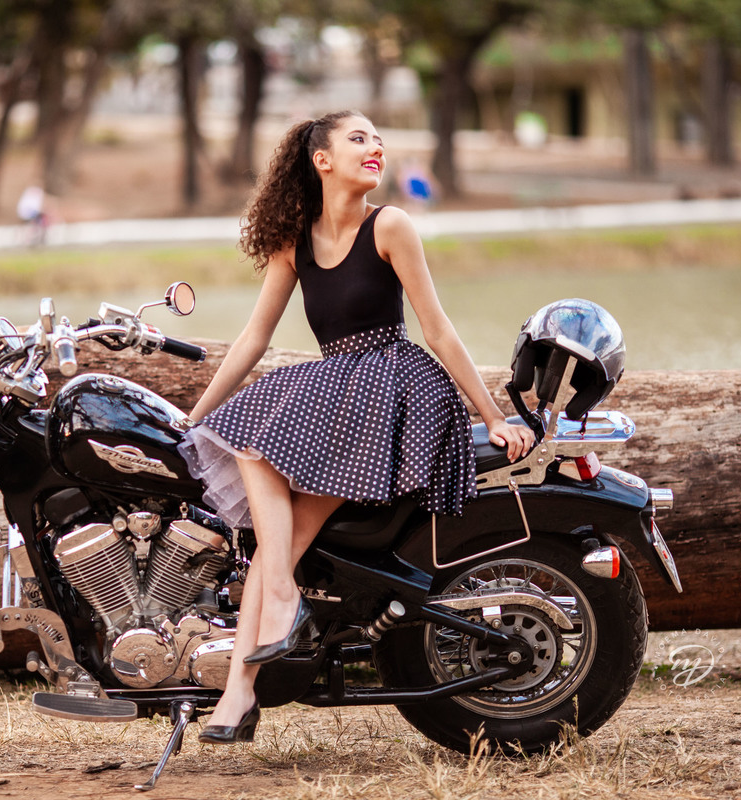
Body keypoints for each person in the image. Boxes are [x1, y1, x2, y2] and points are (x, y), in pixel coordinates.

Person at [178, 110, 534, 744]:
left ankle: (241, 687)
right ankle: (246, 675)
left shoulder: (390, 225)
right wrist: (197, 416)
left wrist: (494, 416)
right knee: (268, 520)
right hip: (339, 385)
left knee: (273, 522)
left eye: (377, 138)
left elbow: (438, 330)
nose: (376, 148)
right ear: (322, 159)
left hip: (394, 387)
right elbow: (254, 338)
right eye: (359, 139)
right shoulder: (294, 242)